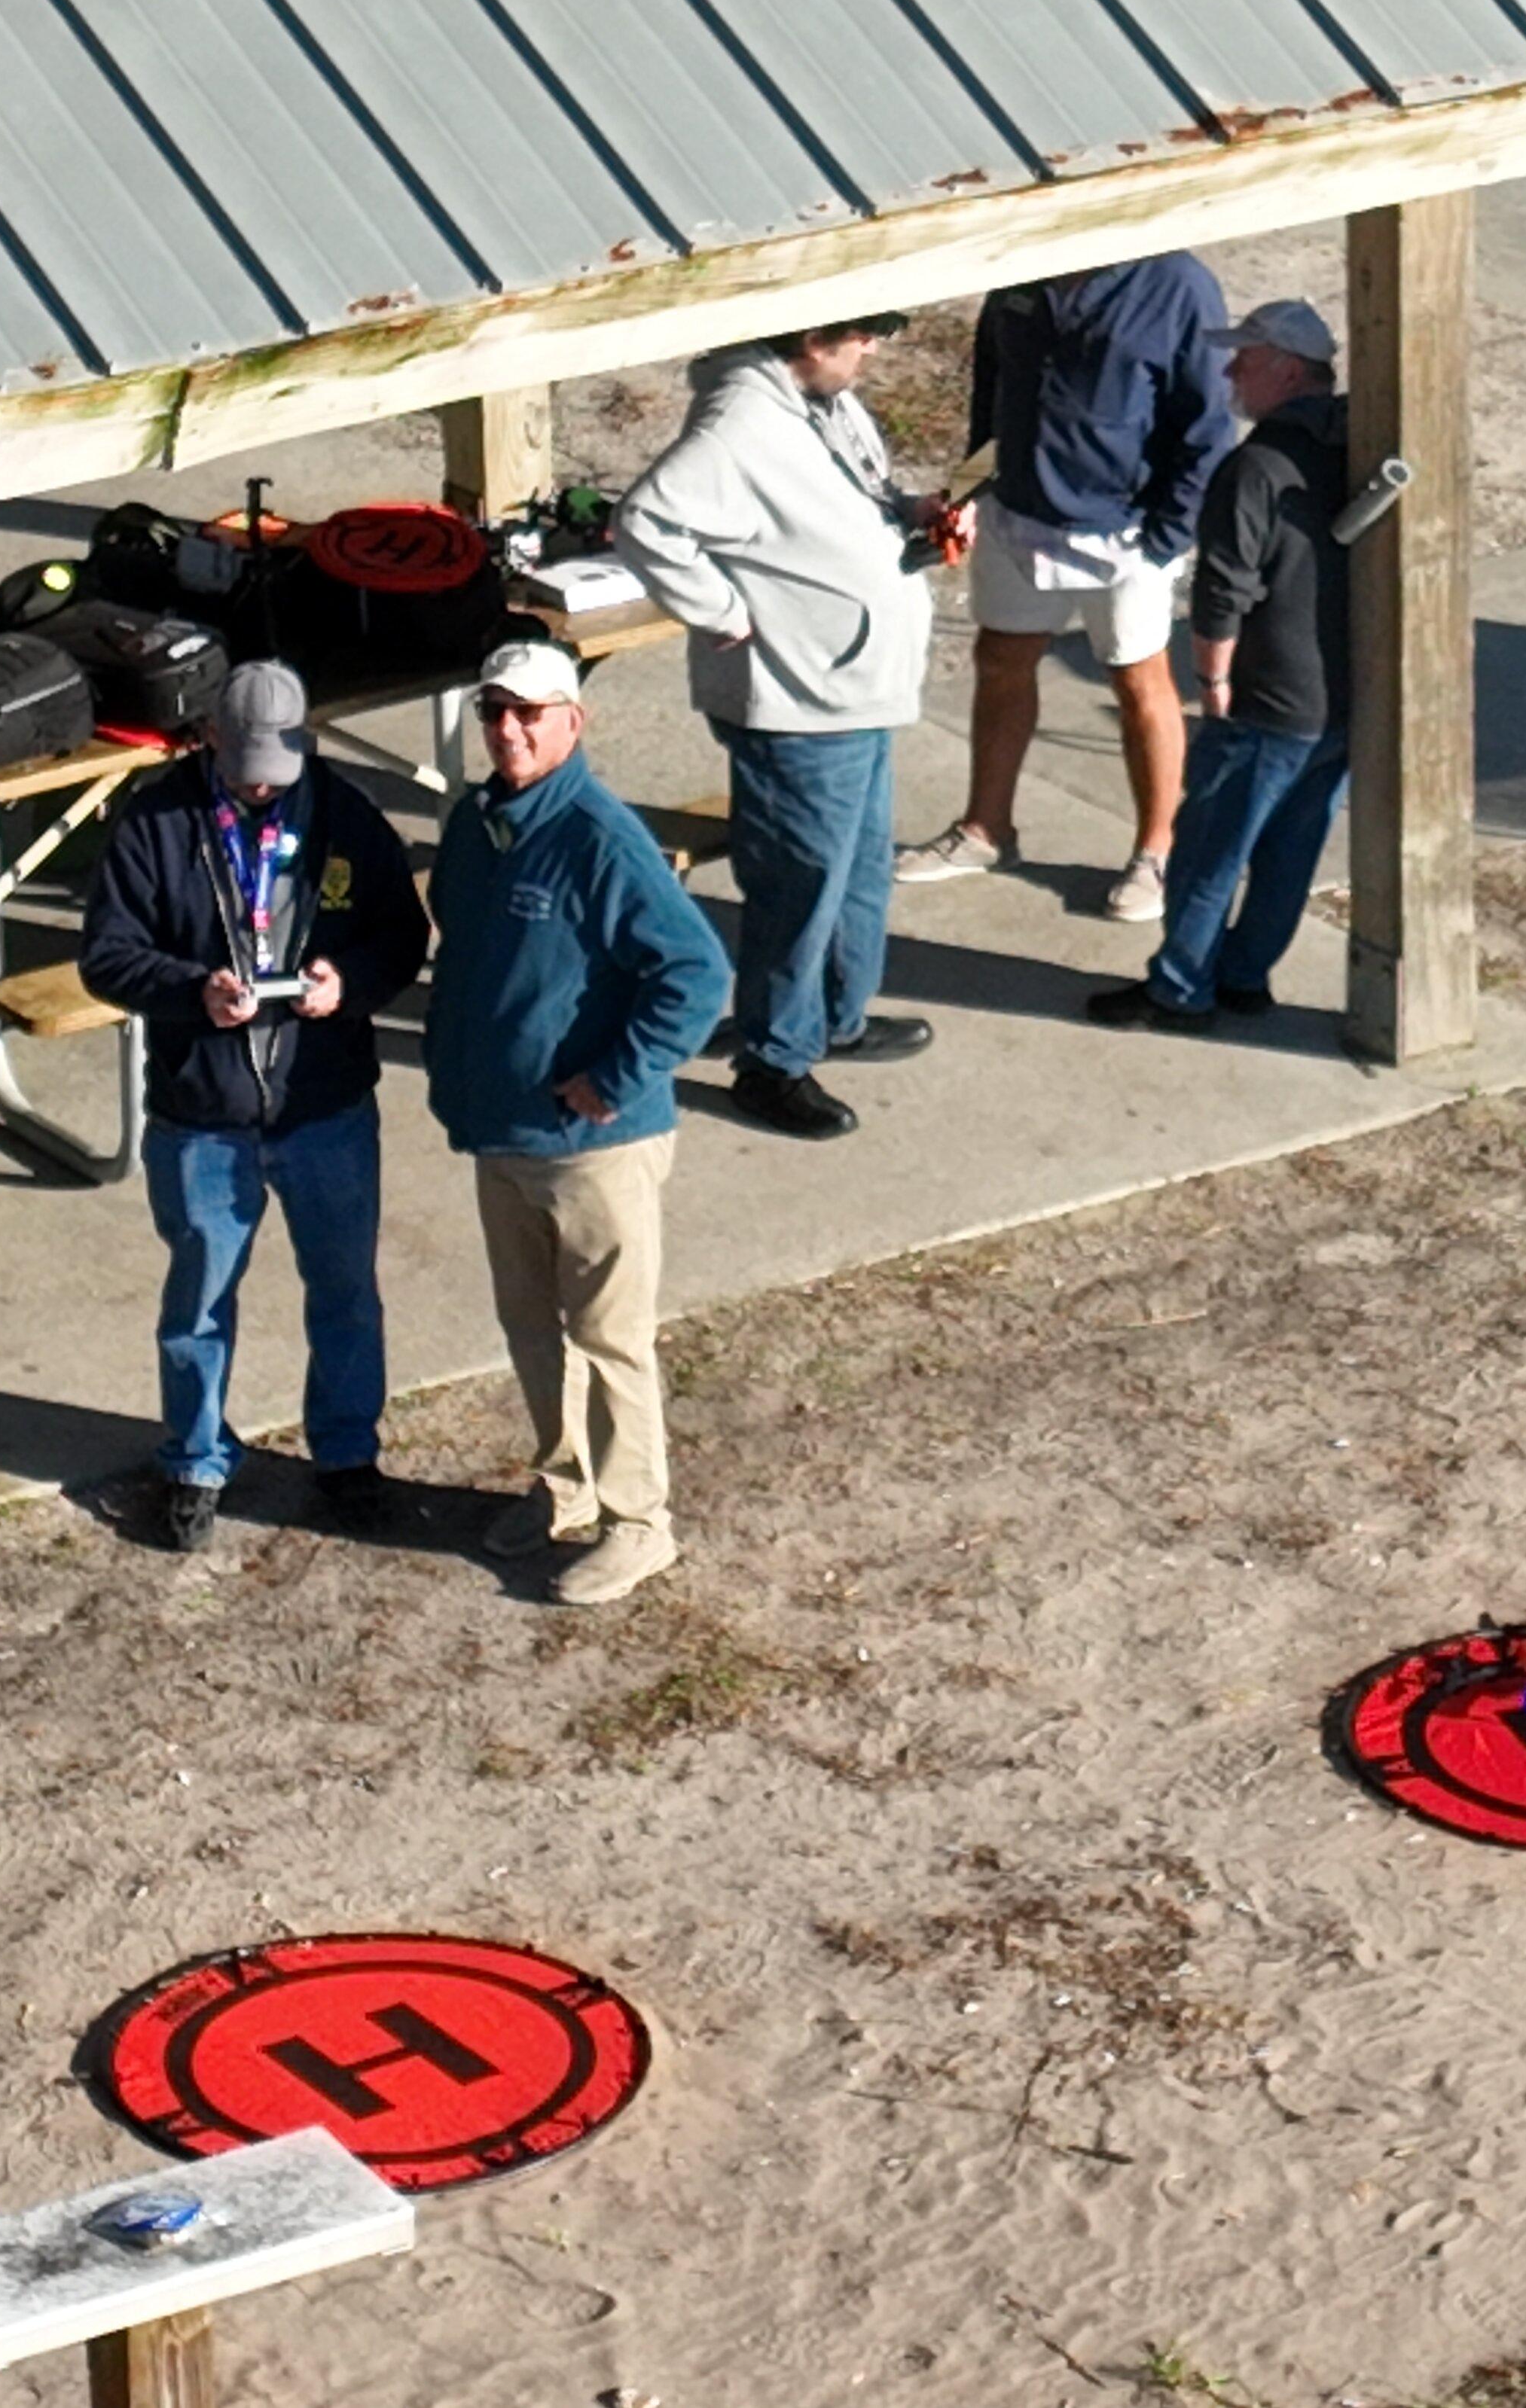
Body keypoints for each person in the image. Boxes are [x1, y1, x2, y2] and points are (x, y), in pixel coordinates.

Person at [80, 660, 429, 1553]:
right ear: (209, 740)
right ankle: (195, 1460)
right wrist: (192, 989)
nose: (263, 784)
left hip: (326, 1104)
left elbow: (403, 933)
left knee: (346, 1291)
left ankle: (348, 1455)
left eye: (278, 766)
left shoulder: (346, 814)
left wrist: (347, 982)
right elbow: (107, 955)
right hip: (203, 1114)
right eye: (245, 767)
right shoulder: (156, 822)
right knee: (199, 1298)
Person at [423, 641, 731, 1605]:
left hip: (595, 1145)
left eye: (531, 712)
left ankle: (639, 1523)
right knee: (531, 1326)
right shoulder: (476, 825)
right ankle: (565, 1486)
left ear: (573, 721)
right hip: (501, 1131)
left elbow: (697, 972)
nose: (509, 730)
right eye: (495, 711)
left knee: (608, 1337)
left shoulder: (601, 838)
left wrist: (617, 1076)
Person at [614, 315, 942, 1142]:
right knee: (800, 889)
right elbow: (645, 521)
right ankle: (773, 1059)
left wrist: (913, 513)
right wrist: (722, 611)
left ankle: (834, 1019)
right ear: (814, 338)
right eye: (865, 332)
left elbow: (853, 498)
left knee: (859, 873)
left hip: (859, 690)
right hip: (800, 702)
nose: (876, 347)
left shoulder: (826, 402)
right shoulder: (739, 424)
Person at [898, 255, 1234, 922]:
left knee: (1139, 681)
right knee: (1000, 659)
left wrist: (1165, 539)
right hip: (1017, 515)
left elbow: (1208, 428)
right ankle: (986, 830)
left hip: (1125, 533)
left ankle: (1157, 852)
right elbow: (992, 400)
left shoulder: (1179, 285)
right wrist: (966, 492)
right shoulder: (1022, 269)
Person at [1086, 299, 1357, 1034]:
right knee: (1289, 853)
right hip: (1338, 698)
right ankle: (1244, 976)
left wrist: (1214, 685)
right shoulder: (1351, 449)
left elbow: (1223, 591)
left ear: (1288, 371)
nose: (1231, 371)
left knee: (1209, 852)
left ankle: (1180, 990)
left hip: (1266, 697)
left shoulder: (1255, 467)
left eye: (1246, 357)